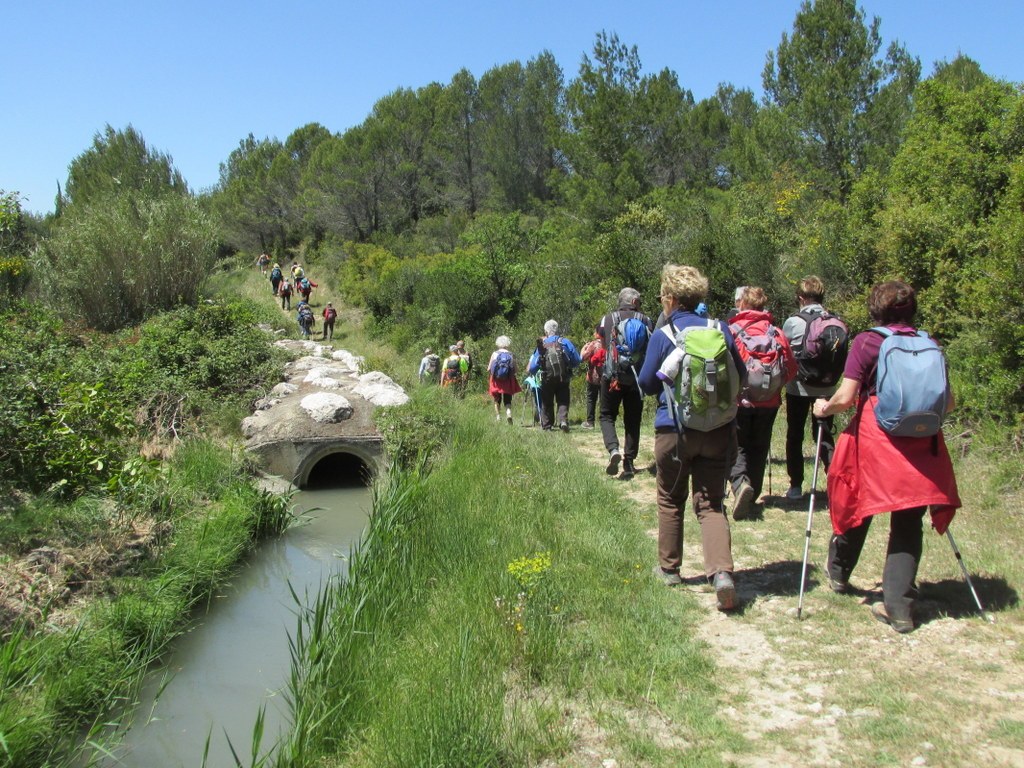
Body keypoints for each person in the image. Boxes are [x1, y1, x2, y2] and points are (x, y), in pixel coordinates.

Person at [812, 281, 960, 633]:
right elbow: (949, 403)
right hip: (923, 441)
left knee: (859, 501)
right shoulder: (929, 343)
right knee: (909, 520)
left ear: (875, 309)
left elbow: (846, 397)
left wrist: (824, 408)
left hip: (878, 437)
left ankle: (838, 573)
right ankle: (900, 609)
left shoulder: (867, 342)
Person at [637, 264, 746, 611]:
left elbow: (647, 383)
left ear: (669, 299)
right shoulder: (721, 330)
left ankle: (670, 570)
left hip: (674, 430)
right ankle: (722, 574)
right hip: (716, 431)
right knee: (711, 503)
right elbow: (741, 376)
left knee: (671, 499)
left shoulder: (664, 335)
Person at [728, 286, 797, 519]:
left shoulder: (733, 331)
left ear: (742, 305)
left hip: (740, 401)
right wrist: (774, 388)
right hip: (769, 402)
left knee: (737, 445)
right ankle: (753, 495)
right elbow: (791, 368)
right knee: (759, 447)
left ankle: (740, 484)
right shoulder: (776, 333)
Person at [782, 275, 839, 500]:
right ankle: (835, 481)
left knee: (794, 435)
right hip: (827, 387)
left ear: (801, 298)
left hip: (798, 388)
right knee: (824, 435)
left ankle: (796, 485)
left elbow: (784, 353)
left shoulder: (793, 322)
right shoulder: (834, 321)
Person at [598, 288, 654, 479]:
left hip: (612, 375)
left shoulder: (608, 318)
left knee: (606, 415)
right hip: (636, 377)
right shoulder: (645, 320)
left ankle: (613, 449)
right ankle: (629, 462)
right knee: (632, 419)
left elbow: (602, 340)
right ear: (635, 301)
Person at [526, 320, 581, 432]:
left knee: (547, 401)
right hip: (563, 376)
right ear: (557, 329)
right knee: (563, 399)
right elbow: (576, 361)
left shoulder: (542, 345)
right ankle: (563, 421)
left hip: (547, 377)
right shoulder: (565, 342)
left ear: (546, 331)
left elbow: (532, 368)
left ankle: (547, 426)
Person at [487, 336, 523, 423]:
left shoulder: (495, 353)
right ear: (507, 343)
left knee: (497, 398)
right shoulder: (510, 354)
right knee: (507, 398)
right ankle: (508, 412)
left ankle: (498, 417)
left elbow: (489, 369)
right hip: (508, 379)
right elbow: (516, 369)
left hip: (496, 380)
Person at [579, 332, 604, 429]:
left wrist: (584, 348)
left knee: (591, 399)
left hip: (592, 377)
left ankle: (590, 422)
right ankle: (604, 421)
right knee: (604, 400)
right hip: (605, 377)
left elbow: (583, 358)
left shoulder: (593, 345)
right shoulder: (608, 343)